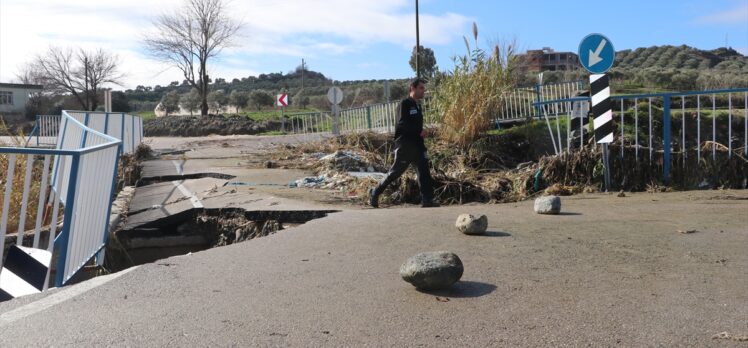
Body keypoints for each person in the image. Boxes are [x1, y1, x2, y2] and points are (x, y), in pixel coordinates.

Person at [369, 78, 438, 208]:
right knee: (395, 172)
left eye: (424, 88)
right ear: (412, 88)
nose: (424, 91)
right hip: (405, 145)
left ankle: (427, 200)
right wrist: (419, 131)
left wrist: (421, 133)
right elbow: (402, 124)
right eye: (421, 88)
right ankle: (375, 191)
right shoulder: (404, 104)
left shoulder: (418, 105)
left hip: (418, 145)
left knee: (424, 171)